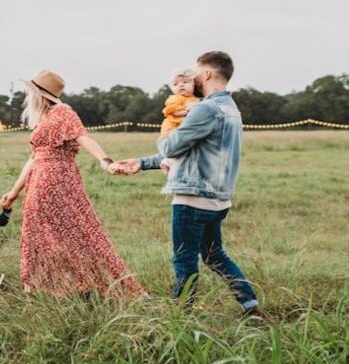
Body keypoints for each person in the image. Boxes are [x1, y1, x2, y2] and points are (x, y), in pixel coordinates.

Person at [113, 51, 265, 318]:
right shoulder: (230, 108)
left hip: (193, 198)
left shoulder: (205, 108)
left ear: (206, 74)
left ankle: (179, 318)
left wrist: (166, 131)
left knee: (184, 259)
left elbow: (172, 146)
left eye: (196, 72)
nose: (192, 77)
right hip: (218, 199)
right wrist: (143, 162)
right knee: (215, 256)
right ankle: (250, 306)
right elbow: (192, 151)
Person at [0, 69, 145, 298]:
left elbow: (83, 137)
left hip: (58, 179)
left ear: (39, 94)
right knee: (37, 232)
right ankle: (42, 287)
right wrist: (15, 191)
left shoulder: (63, 112)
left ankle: (90, 283)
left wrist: (106, 162)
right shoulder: (45, 118)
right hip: (38, 179)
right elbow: (34, 157)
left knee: (78, 231)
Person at [159, 68, 200, 174]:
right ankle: (167, 162)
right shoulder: (175, 98)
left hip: (182, 128)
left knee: (185, 148)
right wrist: (187, 111)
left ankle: (168, 162)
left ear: (194, 84)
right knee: (177, 145)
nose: (181, 85)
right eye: (176, 84)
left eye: (185, 82)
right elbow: (173, 110)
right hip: (172, 127)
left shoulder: (195, 98)